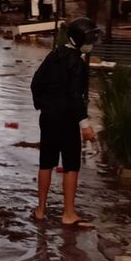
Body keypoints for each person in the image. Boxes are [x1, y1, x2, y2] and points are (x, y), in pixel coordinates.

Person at [31, 17, 99, 227]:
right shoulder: (77, 63)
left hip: (48, 118)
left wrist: (44, 105)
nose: (91, 43)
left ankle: (41, 210)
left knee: (46, 162)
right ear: (79, 39)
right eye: (89, 38)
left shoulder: (54, 54)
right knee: (71, 165)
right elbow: (74, 96)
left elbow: (36, 83)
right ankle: (68, 213)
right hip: (68, 120)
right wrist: (85, 125)